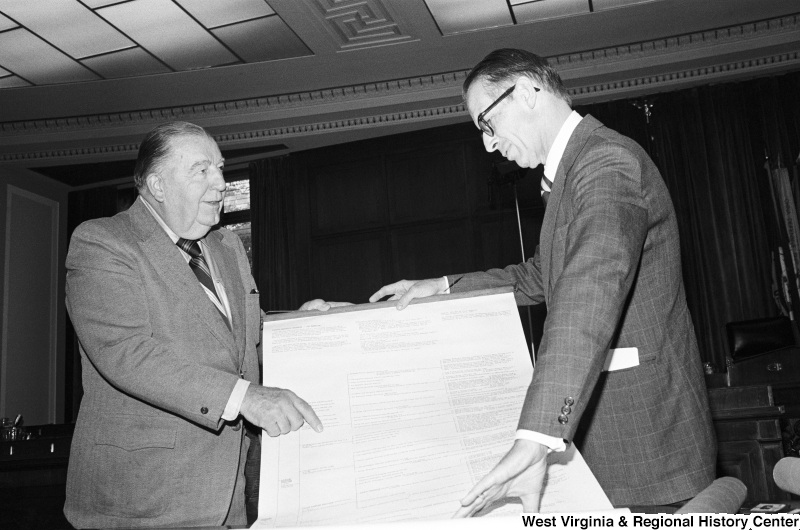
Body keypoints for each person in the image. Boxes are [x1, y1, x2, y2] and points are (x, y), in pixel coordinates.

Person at [367, 49, 716, 514]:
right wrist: (444, 285)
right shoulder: (574, 171)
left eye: (487, 123)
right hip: (612, 441)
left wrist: (534, 435)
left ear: (529, 91)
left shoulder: (606, 161)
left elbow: (589, 287)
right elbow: (541, 276)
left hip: (649, 448)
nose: (488, 145)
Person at [64, 121, 322, 528]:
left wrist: (301, 325)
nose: (220, 182)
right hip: (143, 502)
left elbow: (240, 336)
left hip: (231, 497)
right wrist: (246, 398)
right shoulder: (103, 242)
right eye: (201, 170)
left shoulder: (227, 245)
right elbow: (127, 354)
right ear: (158, 185)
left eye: (219, 167)